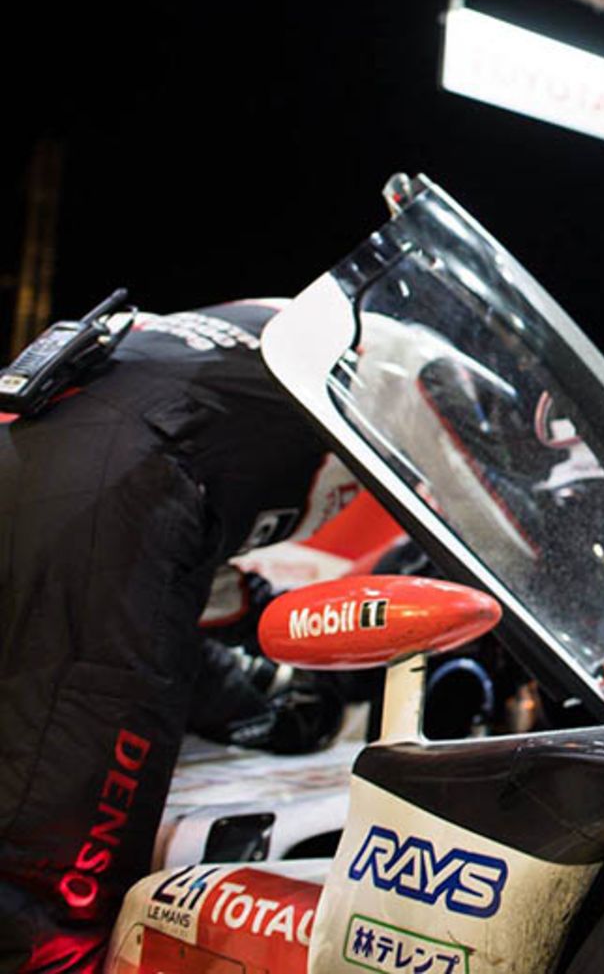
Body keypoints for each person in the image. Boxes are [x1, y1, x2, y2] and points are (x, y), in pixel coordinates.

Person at [0, 300, 360, 973]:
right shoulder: (398, 369)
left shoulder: (278, 319)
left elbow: (192, 593)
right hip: (124, 488)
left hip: (32, 430)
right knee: (56, 889)